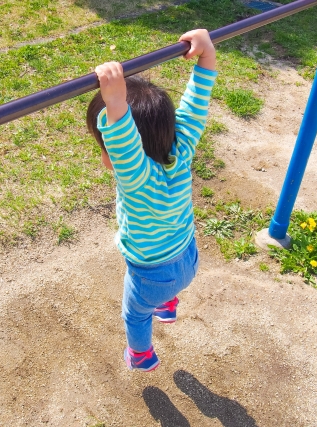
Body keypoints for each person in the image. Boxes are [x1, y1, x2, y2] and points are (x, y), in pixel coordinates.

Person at [85, 29, 217, 372]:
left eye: (104, 144)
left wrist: (115, 104)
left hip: (151, 275)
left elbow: (125, 144)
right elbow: (195, 105)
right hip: (187, 257)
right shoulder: (181, 148)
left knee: (134, 313)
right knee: (162, 291)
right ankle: (168, 305)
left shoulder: (138, 179)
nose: (107, 150)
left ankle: (141, 355)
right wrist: (206, 55)